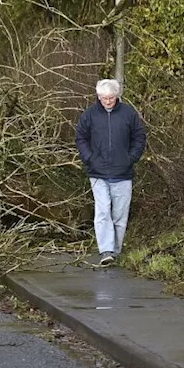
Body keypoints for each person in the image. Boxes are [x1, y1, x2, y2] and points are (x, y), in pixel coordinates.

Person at [75, 78, 147, 267]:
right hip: (97, 172)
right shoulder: (90, 115)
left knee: (119, 213)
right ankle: (106, 250)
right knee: (103, 211)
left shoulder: (128, 113)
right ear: (98, 96)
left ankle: (116, 250)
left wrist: (131, 158)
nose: (107, 101)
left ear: (117, 96)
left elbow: (139, 136)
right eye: (104, 98)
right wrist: (89, 157)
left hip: (123, 172)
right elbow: (80, 137)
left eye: (111, 98)